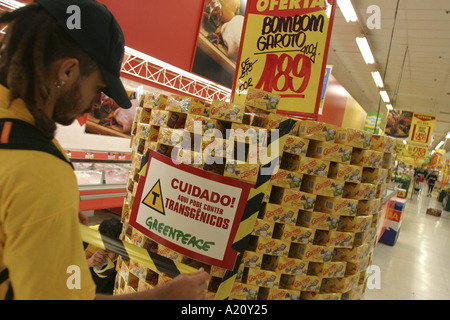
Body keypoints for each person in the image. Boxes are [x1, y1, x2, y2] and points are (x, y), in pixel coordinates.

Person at [0, 0, 208, 300]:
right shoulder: (40, 172)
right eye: (99, 87)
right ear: (68, 71)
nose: (98, 103)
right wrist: (165, 297)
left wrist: (52, 226)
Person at [85, 218, 122, 294]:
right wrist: (88, 262)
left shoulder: (126, 237)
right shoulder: (84, 238)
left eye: (117, 250)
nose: (112, 256)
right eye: (106, 251)